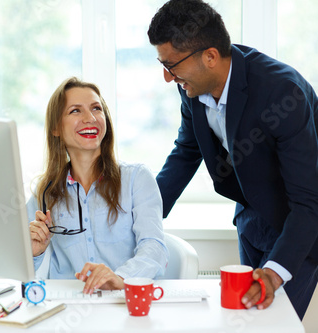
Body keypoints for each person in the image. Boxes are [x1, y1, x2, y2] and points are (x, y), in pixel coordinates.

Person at [147, 0, 318, 319]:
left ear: (210, 56)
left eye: (172, 66)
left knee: (274, 325)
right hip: (250, 215)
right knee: (243, 321)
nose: (168, 78)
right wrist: (142, 213)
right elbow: (187, 151)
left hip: (300, 227)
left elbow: (309, 200)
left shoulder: (282, 92)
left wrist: (274, 272)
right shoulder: (192, 86)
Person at [27, 77, 168, 294]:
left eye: (96, 108)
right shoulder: (44, 192)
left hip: (122, 302)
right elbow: (20, 272)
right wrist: (34, 254)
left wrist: (121, 277)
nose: (90, 118)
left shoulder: (137, 179)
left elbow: (155, 248)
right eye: (76, 111)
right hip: (69, 305)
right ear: (56, 127)